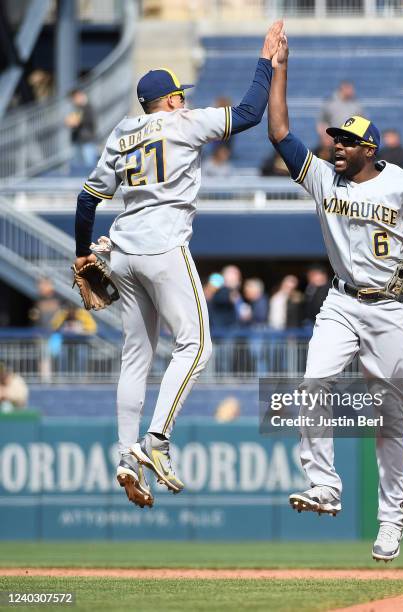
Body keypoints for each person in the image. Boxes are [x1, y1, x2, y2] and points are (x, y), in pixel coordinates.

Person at [268, 35, 403, 562]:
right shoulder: (322, 180)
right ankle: (324, 486)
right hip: (340, 302)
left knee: (389, 414)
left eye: (346, 141)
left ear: (369, 150)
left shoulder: (399, 183)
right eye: (335, 138)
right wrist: (279, 66)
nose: (336, 144)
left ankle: (392, 519)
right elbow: (280, 132)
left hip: (390, 308)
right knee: (312, 385)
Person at [73, 21, 285, 509]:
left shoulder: (122, 132)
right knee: (196, 346)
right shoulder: (183, 123)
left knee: (135, 357)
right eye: (179, 96)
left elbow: (88, 200)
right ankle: (157, 439)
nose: (184, 101)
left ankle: (125, 453)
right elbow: (250, 113)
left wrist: (83, 251)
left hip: (122, 253)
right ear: (167, 101)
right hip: (164, 246)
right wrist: (264, 60)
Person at [65, 88, 97, 168]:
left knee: (90, 166)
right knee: (77, 167)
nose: (73, 100)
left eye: (74, 98)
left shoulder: (88, 107)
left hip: (87, 140)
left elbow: (90, 121)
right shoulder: (76, 108)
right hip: (77, 140)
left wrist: (77, 121)